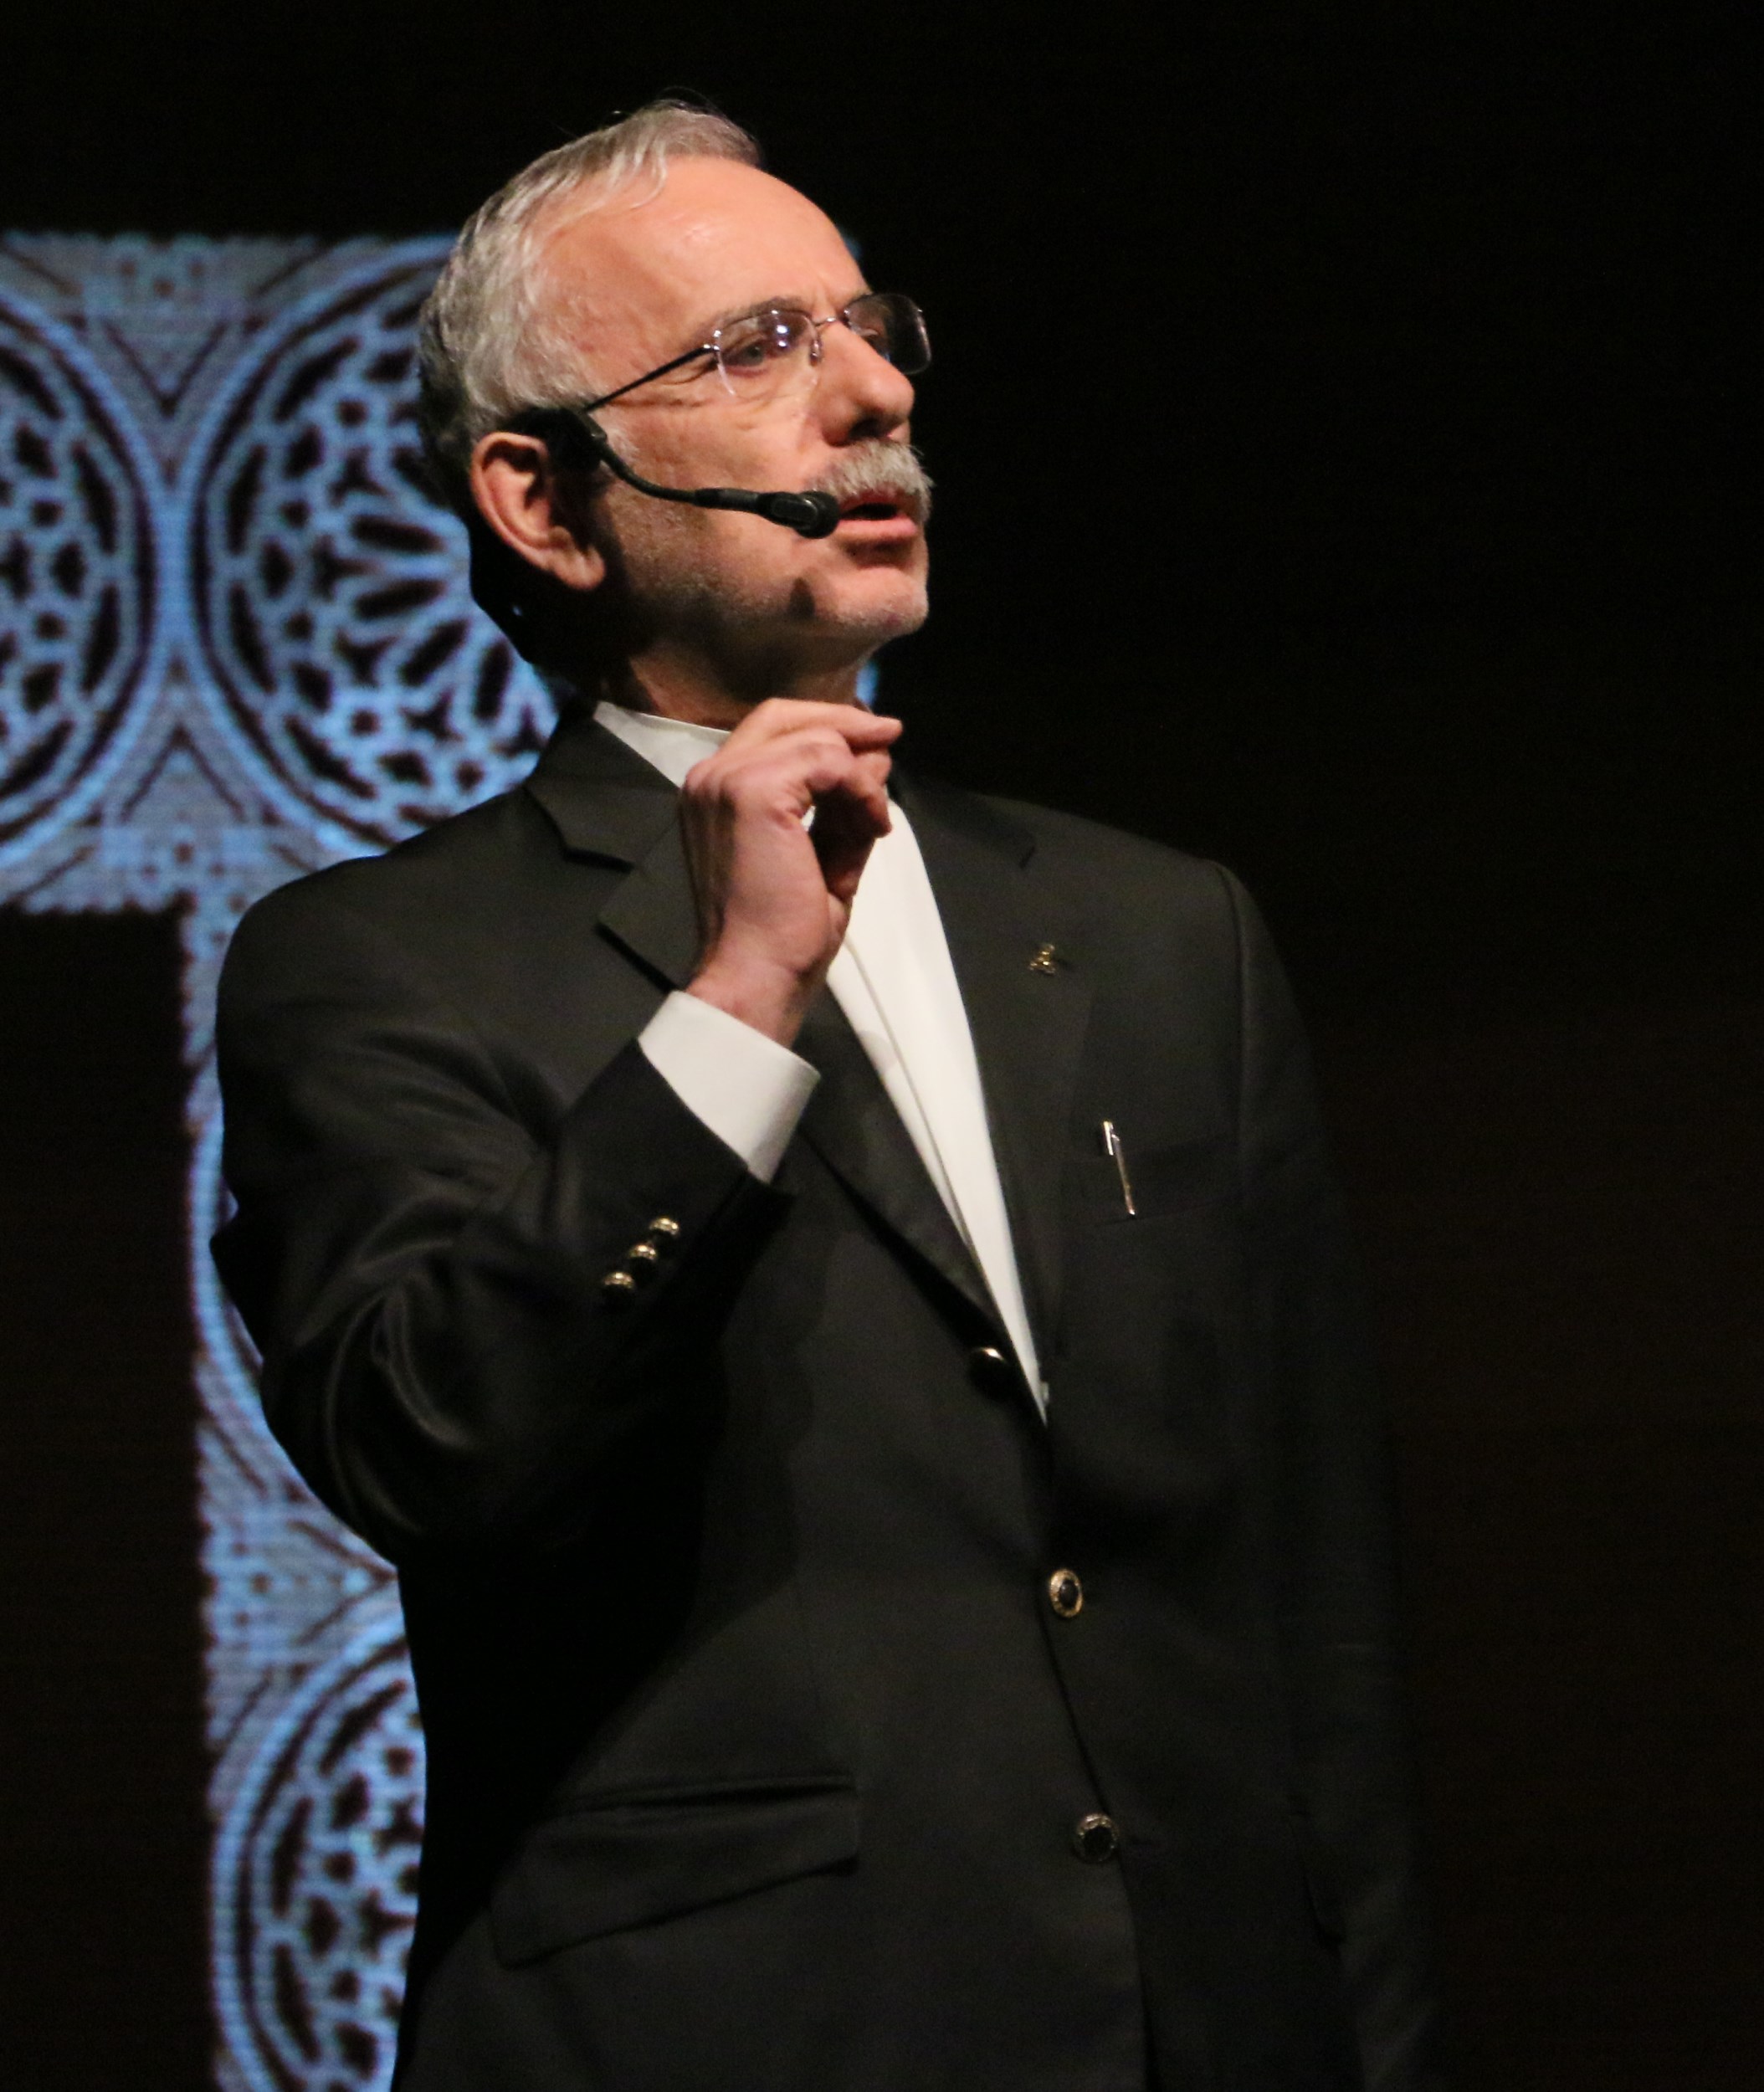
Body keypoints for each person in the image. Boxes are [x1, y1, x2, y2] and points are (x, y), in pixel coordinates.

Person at [213, 100, 1443, 2092]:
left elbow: (1319, 1601)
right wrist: (735, 998)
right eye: (755, 346)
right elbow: (430, 1446)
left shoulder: (1157, 930)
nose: (873, 394)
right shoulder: (375, 959)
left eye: (870, 329)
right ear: (544, 500)